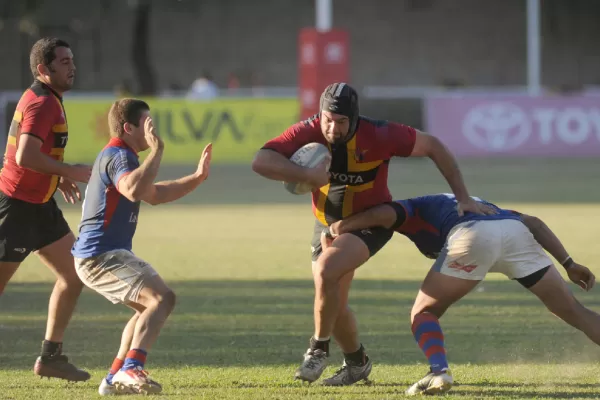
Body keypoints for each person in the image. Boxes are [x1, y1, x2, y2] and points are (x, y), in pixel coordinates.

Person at [251, 82, 494, 385]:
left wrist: (464, 198)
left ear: (354, 119)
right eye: (327, 119)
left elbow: (433, 146)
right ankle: (357, 363)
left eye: (341, 122)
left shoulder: (380, 134)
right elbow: (260, 161)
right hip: (325, 223)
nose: (332, 127)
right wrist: (306, 175)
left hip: (371, 221)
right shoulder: (309, 130)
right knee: (333, 302)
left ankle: (317, 349)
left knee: (327, 272)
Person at [322, 193, 597, 395]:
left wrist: (339, 227)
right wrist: (569, 264)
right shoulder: (483, 203)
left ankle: (439, 372)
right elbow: (534, 222)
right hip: (514, 232)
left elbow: (383, 213)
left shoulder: (412, 206)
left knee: (424, 312)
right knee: (573, 310)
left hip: (474, 235)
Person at [71, 98, 212, 395]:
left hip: (99, 254)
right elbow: (133, 189)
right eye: (147, 124)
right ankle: (131, 368)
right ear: (128, 127)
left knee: (146, 309)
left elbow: (154, 193)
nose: (152, 131)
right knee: (162, 299)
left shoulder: (121, 157)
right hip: (101, 255)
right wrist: (159, 149)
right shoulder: (119, 156)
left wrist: (197, 178)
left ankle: (113, 378)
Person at [0, 37, 92, 381]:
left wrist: (57, 177)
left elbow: (31, 154)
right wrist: (69, 171)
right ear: (44, 69)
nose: (72, 66)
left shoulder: (47, 97)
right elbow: (24, 155)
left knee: (73, 274)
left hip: (39, 206)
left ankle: (51, 358)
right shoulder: (43, 103)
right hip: (16, 209)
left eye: (72, 59)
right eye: (64, 62)